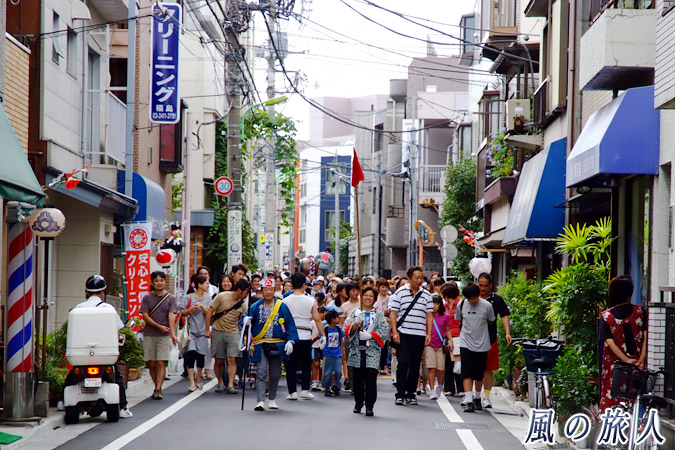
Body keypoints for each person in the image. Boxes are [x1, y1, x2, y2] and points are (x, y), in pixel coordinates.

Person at [62, 275, 133, 417]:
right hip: (105, 356)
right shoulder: (108, 309)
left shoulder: (77, 309)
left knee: (72, 375)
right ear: (103, 291)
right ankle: (123, 407)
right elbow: (117, 329)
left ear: (86, 292)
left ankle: (60, 401)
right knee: (117, 377)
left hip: (80, 357)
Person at [245, 279, 299, 411]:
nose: (268, 292)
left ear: (275, 290)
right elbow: (246, 320)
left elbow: (290, 324)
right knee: (261, 372)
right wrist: (245, 321)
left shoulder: (282, 306)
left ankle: (272, 399)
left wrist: (291, 341)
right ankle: (260, 401)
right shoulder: (255, 306)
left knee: (275, 373)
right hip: (261, 343)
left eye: (271, 289)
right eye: (266, 289)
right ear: (261, 290)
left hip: (278, 344)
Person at [599, 275, 647, 411]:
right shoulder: (640, 312)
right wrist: (640, 360)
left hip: (614, 367)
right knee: (634, 400)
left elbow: (609, 342)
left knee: (612, 400)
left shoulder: (606, 316)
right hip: (637, 365)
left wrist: (626, 360)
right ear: (629, 295)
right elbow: (646, 336)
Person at [389, 266, 433, 405]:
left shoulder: (427, 295)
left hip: (419, 333)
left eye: (421, 277)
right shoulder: (399, 293)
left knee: (415, 364)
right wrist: (395, 332)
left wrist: (429, 333)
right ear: (409, 278)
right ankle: (400, 394)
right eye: (417, 278)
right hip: (403, 333)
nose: (420, 280)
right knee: (403, 363)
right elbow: (394, 314)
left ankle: (411, 393)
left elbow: (430, 316)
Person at [345, 287, 390, 416]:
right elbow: (346, 330)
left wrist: (371, 336)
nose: (368, 298)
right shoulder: (355, 312)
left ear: (374, 299)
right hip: (357, 351)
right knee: (357, 379)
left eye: (371, 296)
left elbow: (383, 330)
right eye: (365, 295)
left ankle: (370, 405)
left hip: (372, 350)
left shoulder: (379, 315)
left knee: (371, 377)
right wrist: (355, 323)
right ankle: (358, 403)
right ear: (361, 296)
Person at [283, 272, 326, 400]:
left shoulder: (284, 301)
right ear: (303, 285)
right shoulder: (310, 300)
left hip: (291, 335)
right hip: (306, 335)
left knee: (290, 364)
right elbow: (317, 319)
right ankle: (305, 390)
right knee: (307, 363)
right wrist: (323, 335)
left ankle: (292, 392)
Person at [455, 282, 495, 412]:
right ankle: (469, 400)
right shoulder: (461, 305)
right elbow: (459, 321)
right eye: (470, 298)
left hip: (482, 344)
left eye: (475, 298)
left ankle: (477, 397)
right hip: (466, 342)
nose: (473, 301)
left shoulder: (487, 306)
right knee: (466, 372)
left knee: (479, 373)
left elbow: (491, 321)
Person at [204, 279, 250, 394]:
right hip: (218, 330)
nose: (247, 295)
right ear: (239, 290)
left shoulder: (243, 305)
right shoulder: (222, 296)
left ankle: (230, 384)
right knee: (219, 359)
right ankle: (220, 382)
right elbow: (210, 311)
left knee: (232, 358)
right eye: (246, 292)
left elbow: (242, 321)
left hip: (233, 332)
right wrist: (207, 329)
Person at [140, 271, 178, 400]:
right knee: (151, 363)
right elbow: (145, 315)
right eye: (156, 280)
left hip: (164, 335)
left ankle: (158, 388)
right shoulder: (147, 298)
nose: (159, 283)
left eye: (162, 280)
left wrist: (172, 334)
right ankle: (156, 385)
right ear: (152, 283)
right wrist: (158, 326)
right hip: (150, 333)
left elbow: (171, 316)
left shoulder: (171, 298)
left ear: (165, 282)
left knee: (161, 362)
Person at [477, 272, 511, 408]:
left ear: (491, 285)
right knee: (476, 369)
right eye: (480, 285)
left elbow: (504, 316)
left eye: (485, 286)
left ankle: (486, 397)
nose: (483, 288)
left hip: (490, 338)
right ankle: (475, 396)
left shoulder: (497, 300)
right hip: (473, 338)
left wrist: (507, 333)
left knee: (488, 369)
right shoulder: (472, 298)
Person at [178, 274, 212, 392]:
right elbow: (181, 312)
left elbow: (209, 313)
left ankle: (199, 378)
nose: (208, 285)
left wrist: (202, 307)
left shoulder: (208, 298)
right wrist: (191, 310)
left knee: (200, 355)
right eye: (207, 283)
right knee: (191, 354)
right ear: (199, 284)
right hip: (190, 331)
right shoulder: (188, 297)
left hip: (202, 331)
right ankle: (191, 382)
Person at [425, 296, 453, 400]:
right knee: (431, 368)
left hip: (441, 345)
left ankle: (439, 386)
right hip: (429, 344)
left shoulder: (445, 316)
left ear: (440, 305)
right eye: (432, 303)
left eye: (436, 304)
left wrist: (451, 341)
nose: (434, 306)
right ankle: (432, 390)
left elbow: (448, 329)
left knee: (441, 369)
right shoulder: (427, 316)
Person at [441, 282, 463, 397]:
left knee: (458, 362)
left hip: (459, 336)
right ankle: (449, 387)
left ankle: (461, 388)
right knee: (447, 363)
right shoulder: (444, 305)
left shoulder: (460, 303)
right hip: (446, 336)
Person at [322, 310, 344, 396]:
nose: (339, 318)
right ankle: (327, 387)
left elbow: (341, 341)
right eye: (337, 317)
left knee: (338, 371)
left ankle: (336, 385)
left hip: (337, 353)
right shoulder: (326, 329)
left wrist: (342, 352)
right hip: (328, 353)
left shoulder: (338, 329)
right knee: (327, 372)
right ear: (332, 319)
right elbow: (320, 336)